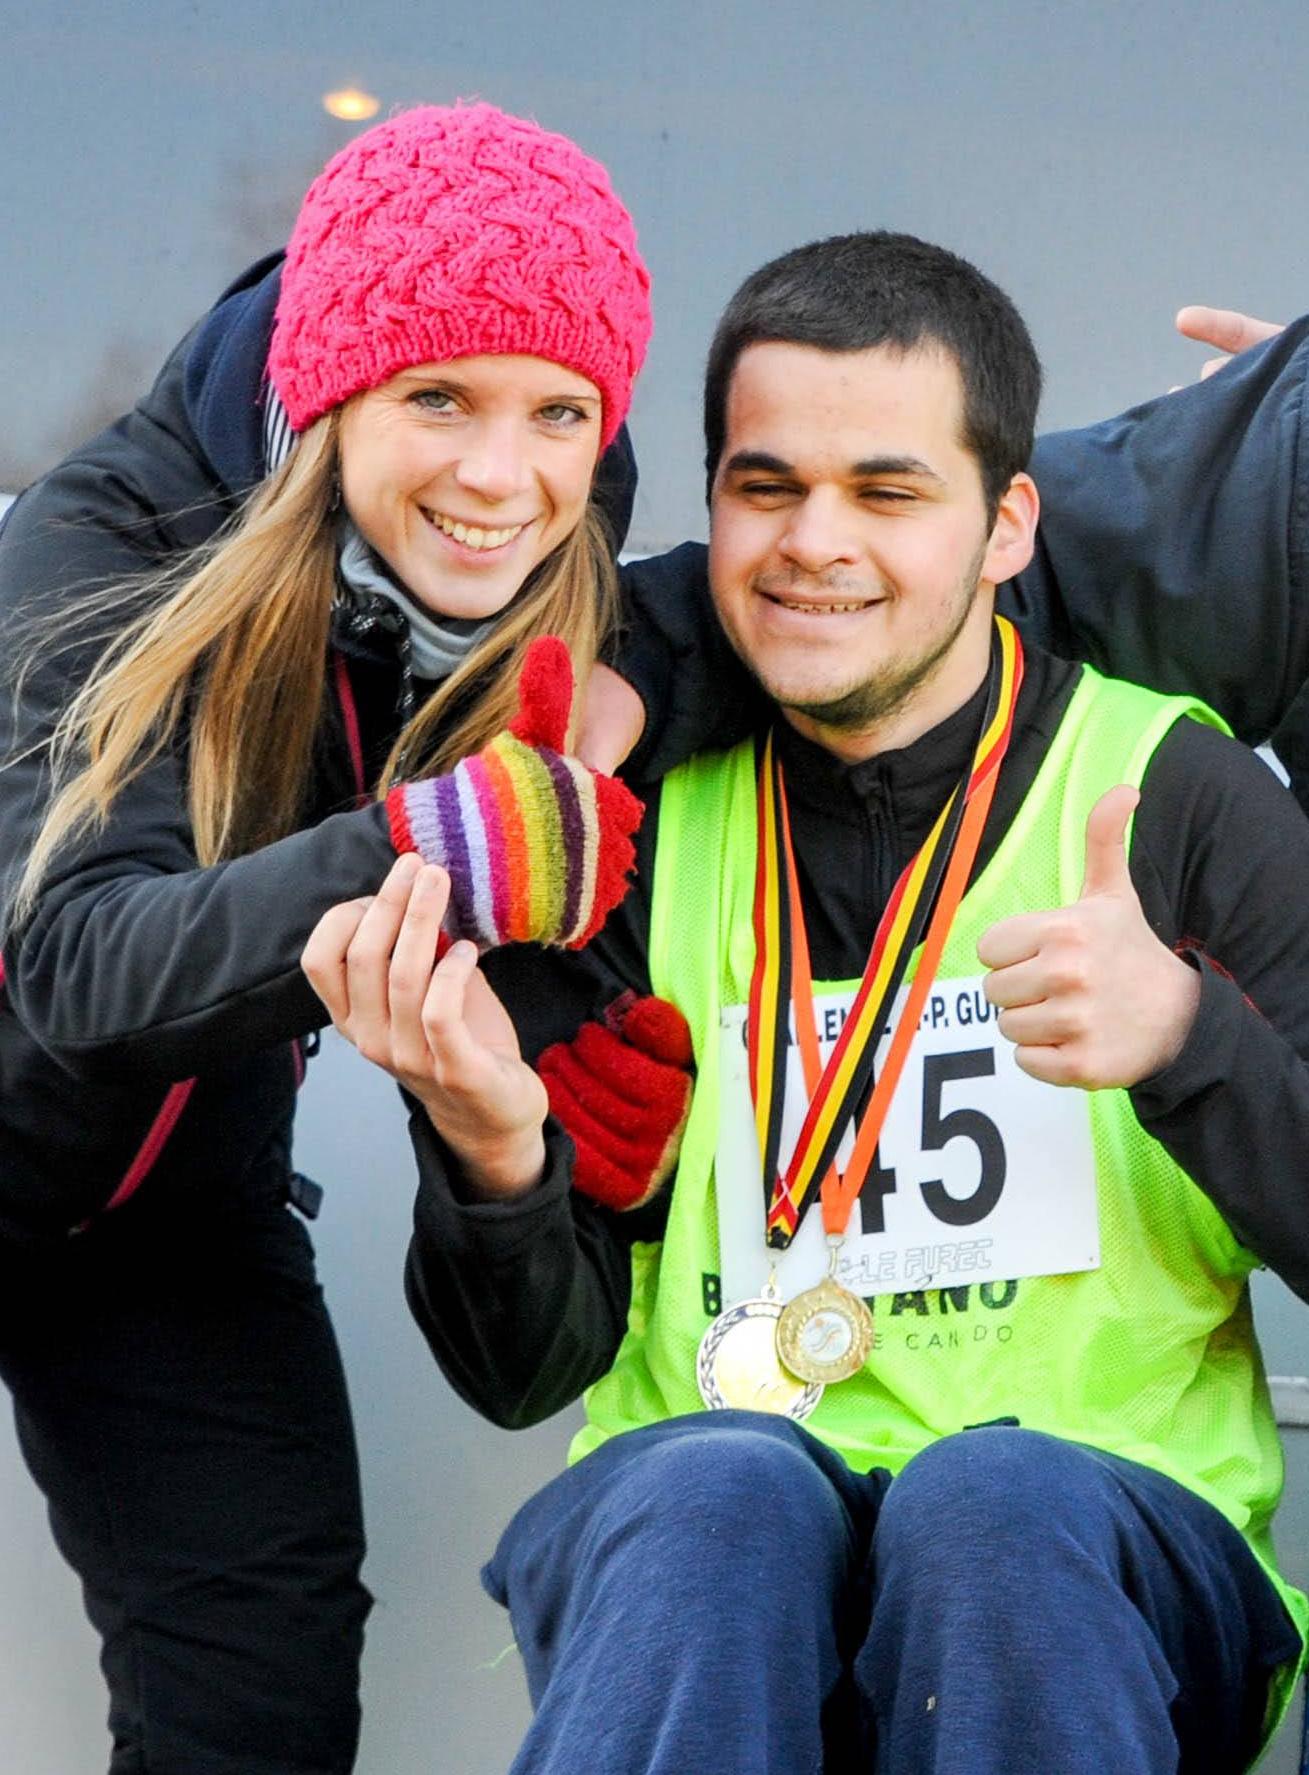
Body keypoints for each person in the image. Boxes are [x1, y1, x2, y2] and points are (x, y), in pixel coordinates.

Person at [306, 234, 1309, 1773]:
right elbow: (521, 1374)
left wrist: (1190, 1044)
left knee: (995, 1504)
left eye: (884, 493)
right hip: (712, 1547)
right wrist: (493, 1161)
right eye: (763, 488)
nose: (811, 544)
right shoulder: (621, 831)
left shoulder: (1173, 792)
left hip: (1100, 1558)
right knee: (715, 1490)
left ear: (1005, 527)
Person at [0, 100, 655, 1775]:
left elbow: (873, 565)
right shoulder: (109, 533)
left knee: (259, 1702)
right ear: (328, 395)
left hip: (165, 1213)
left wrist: (536, 1115)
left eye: (556, 410)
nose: (499, 472)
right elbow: (81, 964)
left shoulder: (550, 539)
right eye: (437, 397)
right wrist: (438, 840)